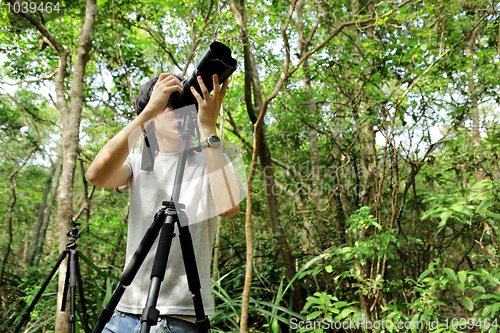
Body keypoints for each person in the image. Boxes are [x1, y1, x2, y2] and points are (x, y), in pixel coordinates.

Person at [86, 73, 241, 333]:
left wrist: (208, 129)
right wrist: (146, 114)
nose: (181, 111)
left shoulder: (211, 161)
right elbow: (96, 175)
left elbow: (228, 208)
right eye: (171, 104)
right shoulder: (139, 163)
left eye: (185, 104)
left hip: (180, 316)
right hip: (124, 310)